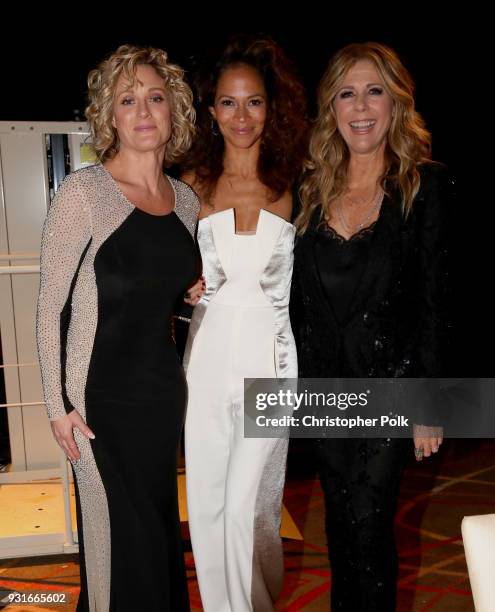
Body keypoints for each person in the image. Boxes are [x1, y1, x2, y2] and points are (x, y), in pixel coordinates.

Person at [36, 44, 202, 611]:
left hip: (161, 397)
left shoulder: (185, 202)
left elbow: (165, 301)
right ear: (109, 116)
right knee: (113, 543)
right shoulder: (82, 194)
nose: (144, 111)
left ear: (174, 110)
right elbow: (49, 307)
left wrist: (189, 297)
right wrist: (56, 406)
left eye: (155, 97)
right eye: (127, 100)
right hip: (98, 404)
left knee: (155, 535)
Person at [291, 42, 453, 611]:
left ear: (395, 103)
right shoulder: (311, 190)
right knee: (338, 534)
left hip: (390, 388)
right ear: (331, 108)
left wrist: (429, 401)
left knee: (369, 532)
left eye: (374, 90)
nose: (361, 106)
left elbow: (435, 301)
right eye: (346, 93)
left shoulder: (423, 188)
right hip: (325, 391)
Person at [181, 35, 308, 611]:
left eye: (253, 101)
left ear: (270, 107)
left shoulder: (297, 182)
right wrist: (180, 286)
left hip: (272, 363)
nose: (241, 116)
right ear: (211, 111)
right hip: (205, 361)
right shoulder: (190, 186)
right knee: (206, 505)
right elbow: (162, 269)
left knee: (244, 508)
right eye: (228, 103)